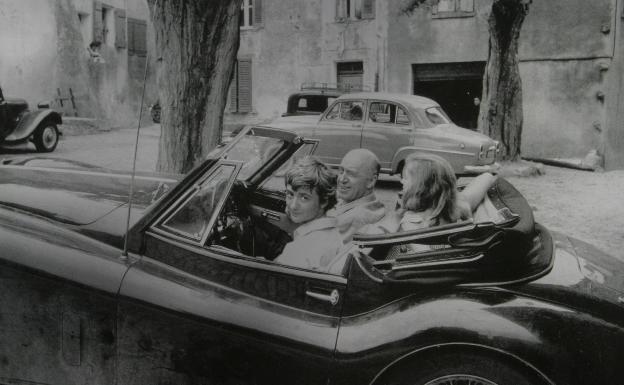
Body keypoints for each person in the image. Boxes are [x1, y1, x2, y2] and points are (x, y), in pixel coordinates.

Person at [274, 156, 344, 271]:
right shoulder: (333, 233)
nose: (293, 205)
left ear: (324, 201)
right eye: (290, 194)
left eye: (304, 197)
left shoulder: (298, 250)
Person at [325, 149, 387, 242]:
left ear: (371, 181)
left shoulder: (352, 220)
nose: (342, 179)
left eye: (351, 174)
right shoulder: (372, 203)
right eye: (341, 171)